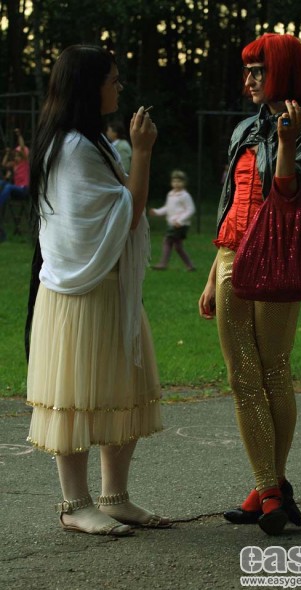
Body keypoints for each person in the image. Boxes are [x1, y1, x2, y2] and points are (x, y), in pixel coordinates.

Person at [26, 44, 170, 536]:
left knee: (118, 390)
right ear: (90, 88)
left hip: (111, 289)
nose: (119, 87)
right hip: (79, 293)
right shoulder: (72, 148)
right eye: (113, 79)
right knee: (76, 398)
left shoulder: (91, 142)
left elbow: (121, 205)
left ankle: (114, 497)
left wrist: (136, 154)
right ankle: (75, 504)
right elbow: (128, 213)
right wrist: (143, 152)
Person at [198, 33, 301, 536]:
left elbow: (291, 198)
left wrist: (286, 144)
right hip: (231, 258)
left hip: (277, 259)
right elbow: (230, 203)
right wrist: (213, 272)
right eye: (248, 70)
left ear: (284, 72)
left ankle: (268, 489)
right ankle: (270, 486)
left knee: (274, 368)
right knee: (241, 375)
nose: (250, 80)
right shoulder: (243, 130)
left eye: (259, 70)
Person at [149, 169, 196, 271]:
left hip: (180, 224)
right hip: (173, 224)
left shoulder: (185, 196)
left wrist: (180, 221)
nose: (176, 183)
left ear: (184, 183)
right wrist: (157, 212)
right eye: (174, 181)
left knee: (167, 241)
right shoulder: (171, 194)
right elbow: (167, 208)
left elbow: (190, 209)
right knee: (178, 246)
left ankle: (163, 264)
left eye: (179, 181)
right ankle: (190, 266)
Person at [0, 129, 30, 240]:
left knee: (8, 186)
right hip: (16, 190)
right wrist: (7, 153)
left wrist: (19, 135)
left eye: (18, 155)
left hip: (24, 190)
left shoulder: (25, 162)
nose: (16, 157)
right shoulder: (14, 164)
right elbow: (4, 164)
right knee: (2, 182)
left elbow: (22, 147)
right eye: (15, 155)